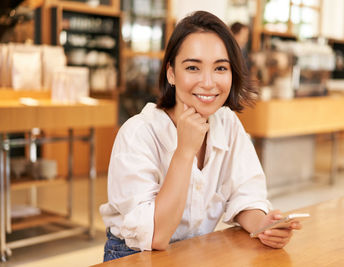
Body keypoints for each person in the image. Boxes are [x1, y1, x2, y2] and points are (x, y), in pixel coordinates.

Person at [100, 10, 302, 262]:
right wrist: (184, 152)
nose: (208, 82)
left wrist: (264, 225)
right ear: (171, 73)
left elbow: (245, 193)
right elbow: (155, 237)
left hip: (195, 253)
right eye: (193, 67)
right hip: (135, 257)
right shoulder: (138, 134)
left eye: (220, 68)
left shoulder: (227, 123)